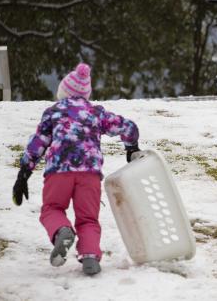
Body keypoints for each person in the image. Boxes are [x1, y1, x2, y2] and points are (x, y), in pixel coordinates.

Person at [12, 63, 141, 276]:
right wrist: (131, 147)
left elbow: (38, 143)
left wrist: (24, 172)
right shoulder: (96, 112)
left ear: (62, 92)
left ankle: (62, 230)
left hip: (58, 173)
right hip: (89, 174)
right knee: (88, 219)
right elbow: (128, 127)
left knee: (52, 209)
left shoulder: (53, 112)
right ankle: (90, 257)